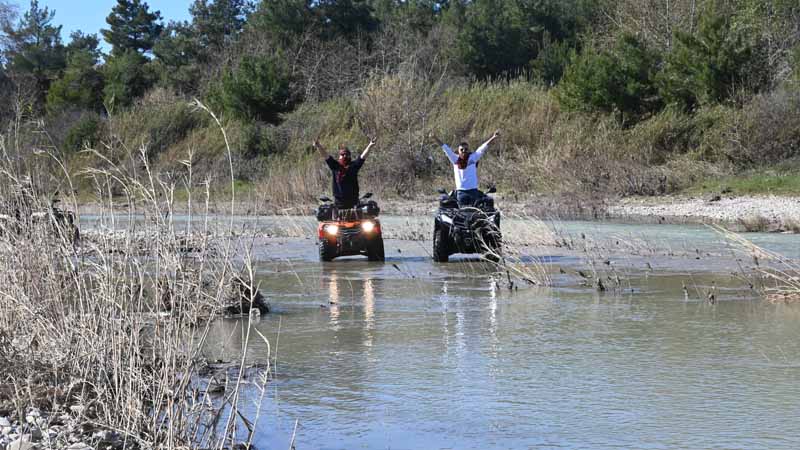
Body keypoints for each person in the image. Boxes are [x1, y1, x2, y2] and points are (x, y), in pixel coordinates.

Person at [430, 130, 500, 207]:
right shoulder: (455, 159)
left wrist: (493, 137)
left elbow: (483, 148)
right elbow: (445, 148)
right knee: (462, 212)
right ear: (458, 151)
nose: (464, 151)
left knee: (476, 211)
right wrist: (435, 138)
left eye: (466, 149)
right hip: (461, 192)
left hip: (473, 191)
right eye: (461, 150)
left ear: (468, 150)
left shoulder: (473, 158)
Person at [314, 138, 376, 209]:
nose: (344, 156)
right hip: (339, 203)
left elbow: (363, 157)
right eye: (342, 155)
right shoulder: (335, 166)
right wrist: (318, 146)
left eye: (346, 155)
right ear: (339, 156)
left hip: (353, 202)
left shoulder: (353, 166)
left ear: (350, 156)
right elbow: (325, 155)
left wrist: (370, 145)